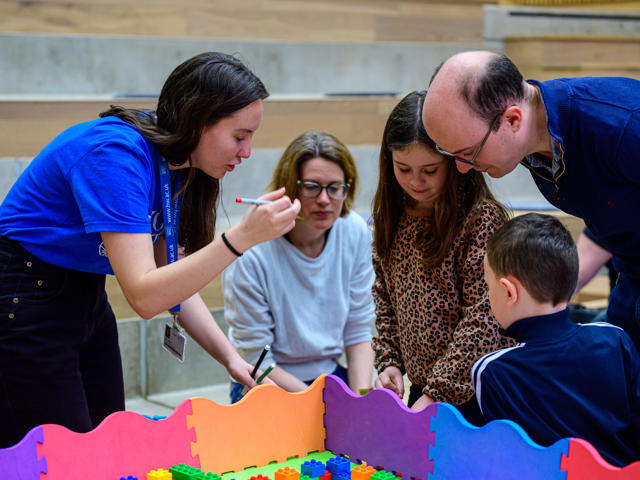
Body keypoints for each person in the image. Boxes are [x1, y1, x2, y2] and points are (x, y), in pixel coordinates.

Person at [0, 52, 301, 447]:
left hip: (84, 292)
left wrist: (231, 358)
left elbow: (174, 279)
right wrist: (239, 238)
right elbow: (145, 296)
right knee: (61, 456)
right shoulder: (115, 155)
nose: (246, 152)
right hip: (24, 292)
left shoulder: (177, 162)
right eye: (239, 136)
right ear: (199, 121)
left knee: (109, 441)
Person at [422, 50, 640, 351]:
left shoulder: (624, 128)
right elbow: (609, 208)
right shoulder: (530, 140)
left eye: (468, 153)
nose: (461, 168)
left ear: (512, 119)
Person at [370, 91, 514, 425]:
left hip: (480, 391)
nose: (415, 181)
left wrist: (438, 392)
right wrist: (389, 361)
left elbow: (484, 317)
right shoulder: (391, 217)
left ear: (454, 162)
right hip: (426, 389)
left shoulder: (480, 219)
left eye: (430, 170)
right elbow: (385, 298)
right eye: (403, 169)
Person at [473, 213, 640, 467]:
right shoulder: (615, 339)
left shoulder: (492, 371)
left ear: (508, 291)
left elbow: (506, 461)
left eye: (488, 286)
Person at [223, 131, 375, 403]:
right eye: (312, 187)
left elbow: (359, 331)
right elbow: (256, 360)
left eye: (335, 187)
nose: (324, 199)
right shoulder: (252, 251)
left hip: (327, 378)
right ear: (291, 187)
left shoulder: (355, 232)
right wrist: (317, 405)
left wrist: (361, 400)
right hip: (264, 382)